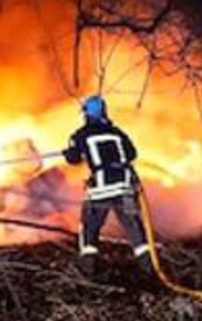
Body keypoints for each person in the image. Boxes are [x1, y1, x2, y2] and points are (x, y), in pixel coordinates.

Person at [64, 95, 152, 276]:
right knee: (134, 227)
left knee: (89, 226)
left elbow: (73, 159)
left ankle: (88, 269)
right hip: (125, 188)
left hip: (101, 191)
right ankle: (149, 267)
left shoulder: (81, 135)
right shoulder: (117, 133)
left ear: (87, 114)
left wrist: (69, 153)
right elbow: (131, 154)